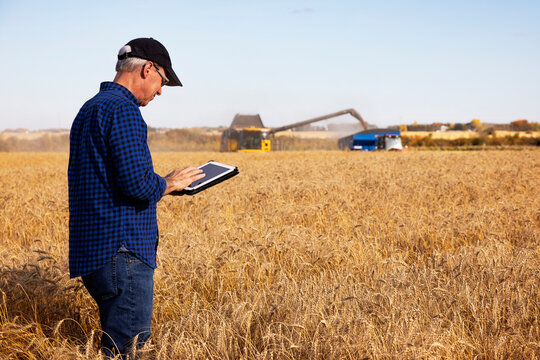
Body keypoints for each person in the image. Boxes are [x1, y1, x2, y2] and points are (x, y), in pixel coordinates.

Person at [68, 37, 204, 358]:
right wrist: (170, 183)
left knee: (116, 348)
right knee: (128, 352)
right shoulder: (123, 111)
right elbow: (138, 186)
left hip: (93, 253)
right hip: (123, 252)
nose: (160, 92)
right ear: (147, 69)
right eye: (163, 82)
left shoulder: (90, 108)